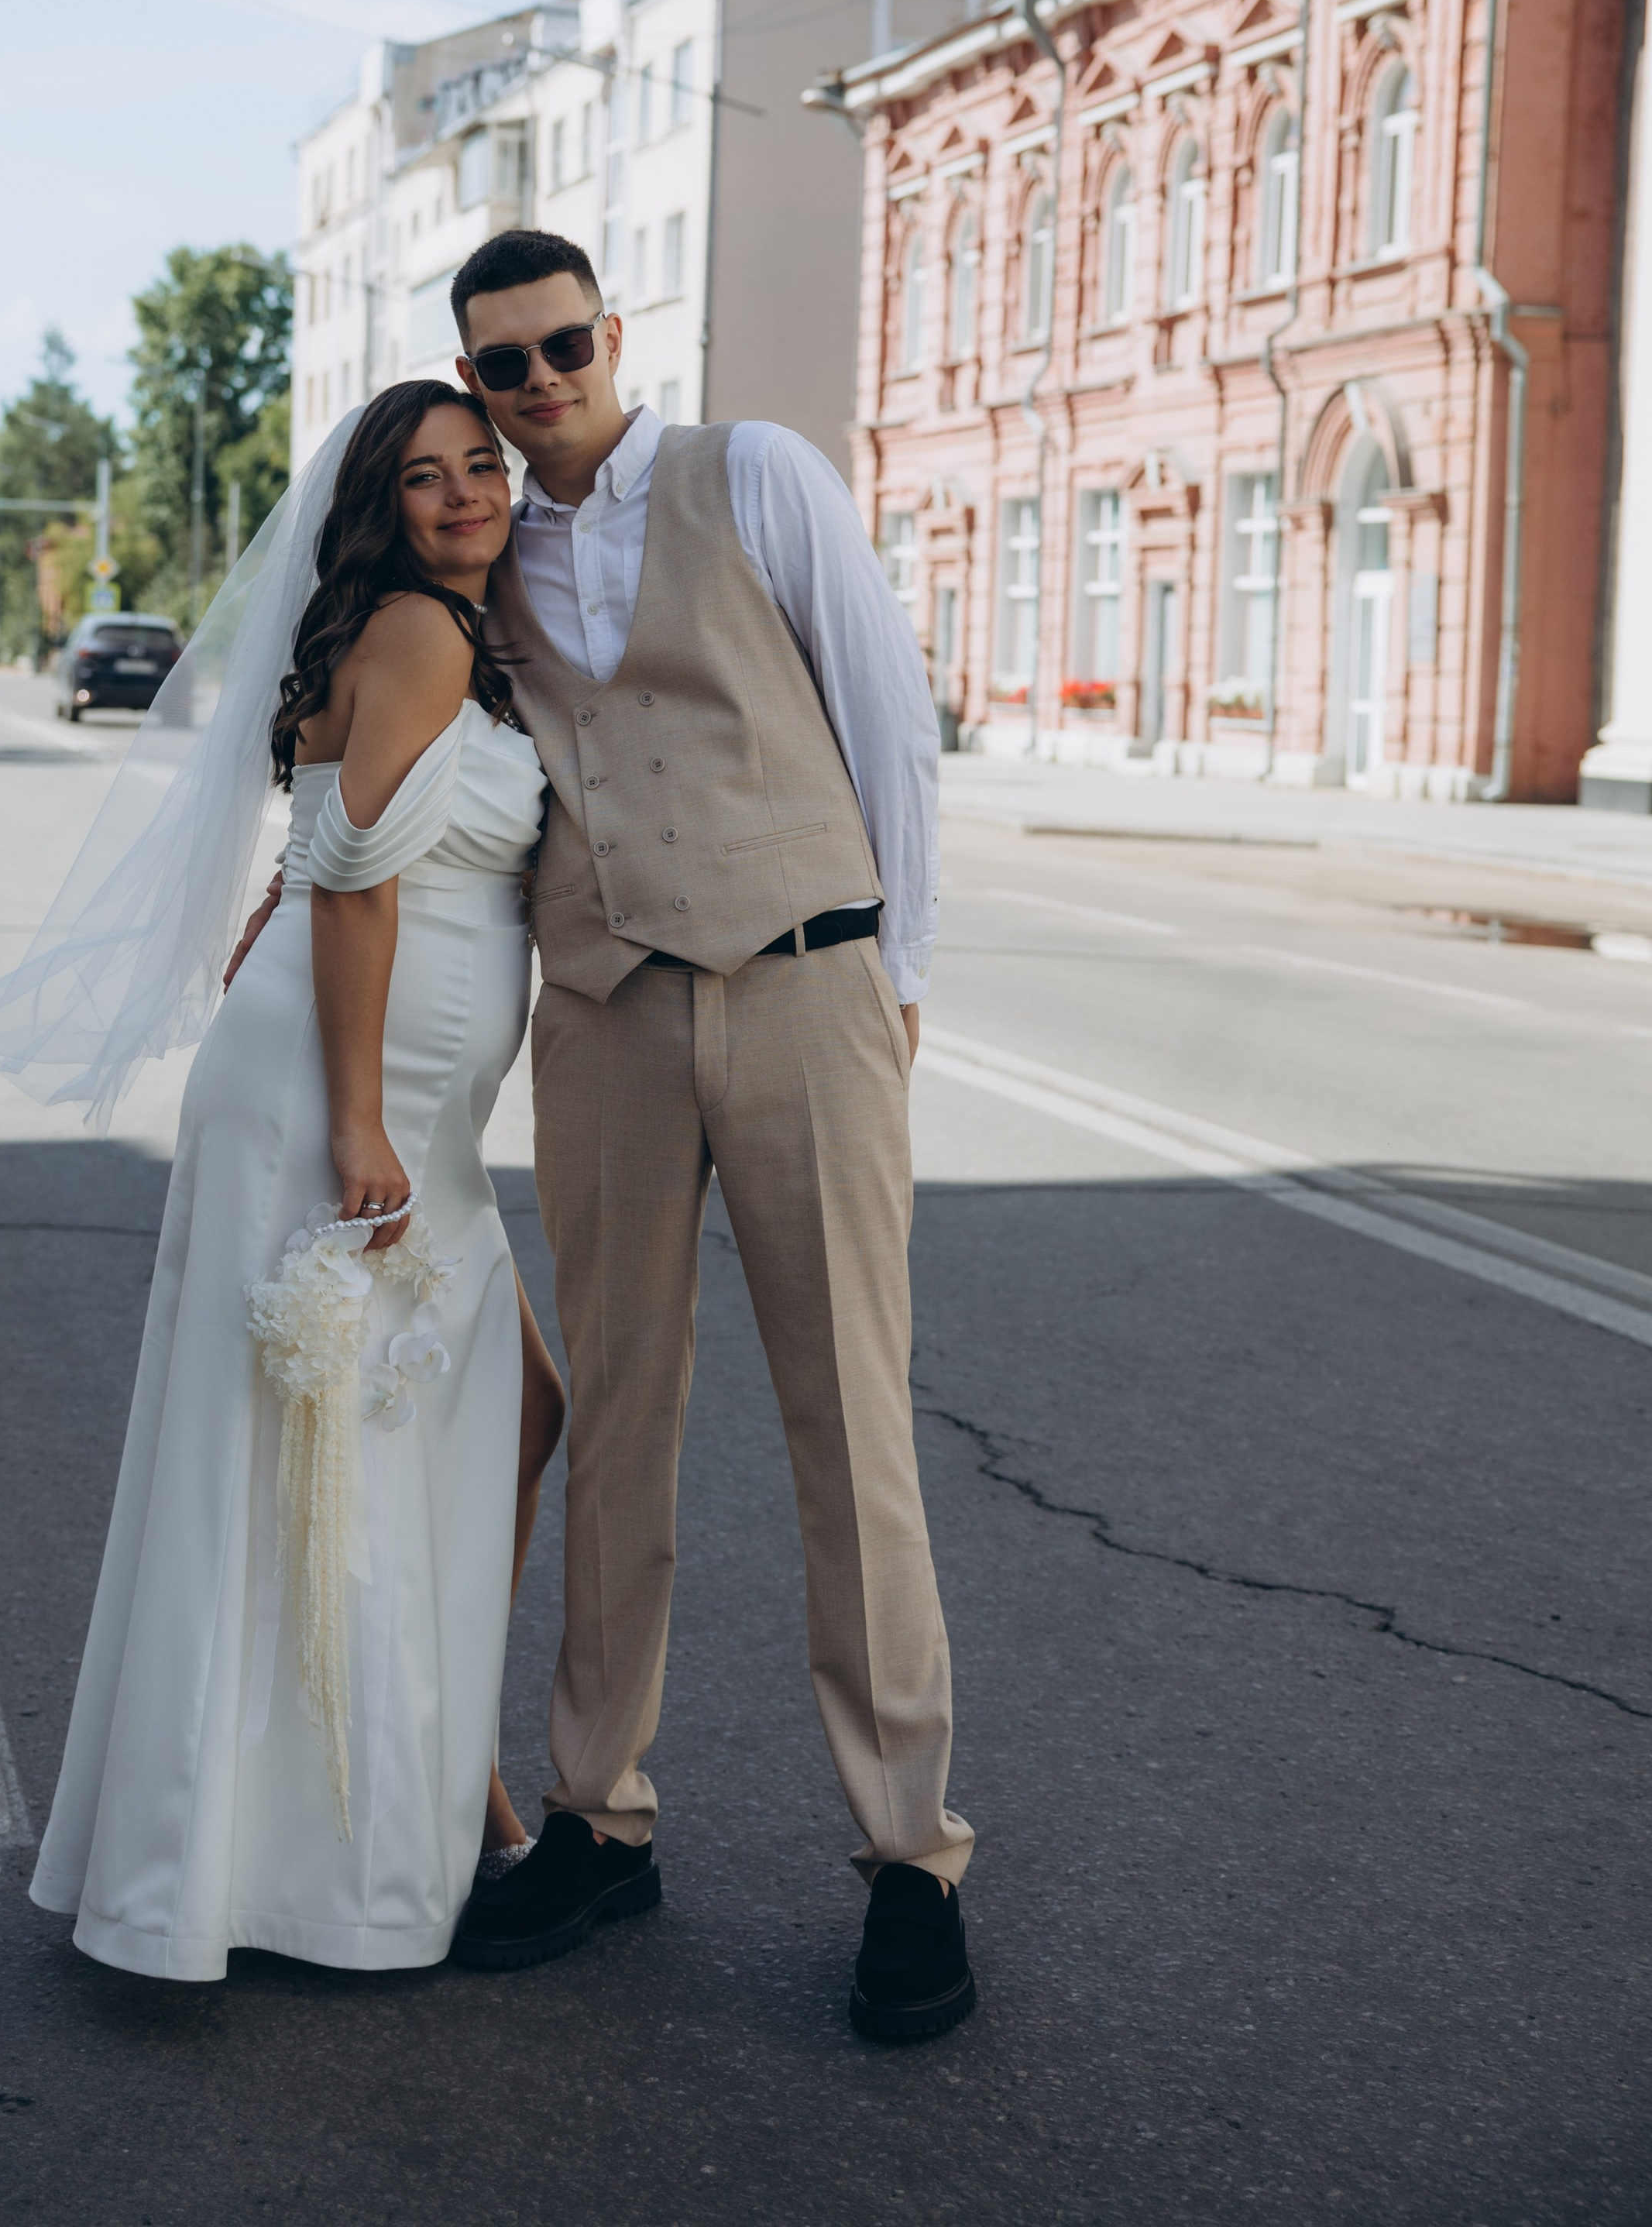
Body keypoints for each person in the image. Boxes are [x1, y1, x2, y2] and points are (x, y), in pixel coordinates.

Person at [0, 383, 563, 1978]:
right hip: (346, 1097)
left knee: (464, 1419)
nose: (464, 495)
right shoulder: (420, 632)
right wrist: (355, 1122)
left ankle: (429, 1792)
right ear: (379, 509)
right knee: (334, 1447)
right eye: (423, 478)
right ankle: (330, 1860)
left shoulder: (447, 634)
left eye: (480, 466)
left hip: (374, 1085)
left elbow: (323, 848)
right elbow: (353, 883)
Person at [443, 229, 975, 2044]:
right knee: (617, 1422)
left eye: (560, 345)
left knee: (852, 1427)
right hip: (601, 1014)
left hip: (805, 981)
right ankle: (598, 1819)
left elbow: (888, 722)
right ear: (475, 383)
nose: (538, 383)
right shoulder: (484, 552)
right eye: (502, 365)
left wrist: (896, 975)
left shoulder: (752, 474)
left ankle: (908, 1860)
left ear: (614, 334)